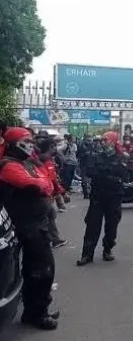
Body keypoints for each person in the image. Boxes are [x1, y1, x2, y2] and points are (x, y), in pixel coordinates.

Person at [0, 127, 59, 330]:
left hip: (37, 224)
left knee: (40, 270)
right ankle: (36, 313)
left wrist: (42, 180)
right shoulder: (9, 166)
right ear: (15, 143)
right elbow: (40, 186)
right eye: (27, 141)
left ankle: (36, 310)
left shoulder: (26, 162)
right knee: (40, 271)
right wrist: (42, 183)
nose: (31, 144)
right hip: (25, 226)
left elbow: (48, 182)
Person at [76, 131, 126, 266]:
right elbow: (91, 172)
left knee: (111, 227)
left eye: (106, 140)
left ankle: (108, 249)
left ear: (113, 142)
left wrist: (105, 172)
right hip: (98, 197)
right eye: (102, 140)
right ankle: (87, 254)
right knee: (92, 226)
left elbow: (123, 174)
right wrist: (109, 173)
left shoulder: (120, 157)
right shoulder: (95, 156)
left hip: (114, 197)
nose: (103, 142)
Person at [34, 137, 68, 248]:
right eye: (54, 146)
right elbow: (52, 180)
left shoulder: (44, 160)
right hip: (41, 196)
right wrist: (62, 193)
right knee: (47, 216)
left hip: (45, 195)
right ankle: (50, 240)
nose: (56, 148)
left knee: (50, 215)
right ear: (50, 147)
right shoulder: (40, 162)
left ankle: (52, 239)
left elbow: (53, 180)